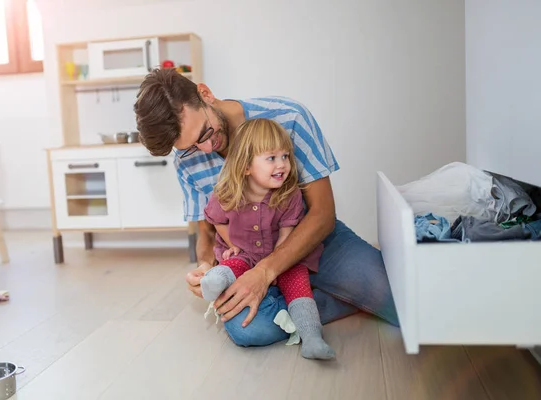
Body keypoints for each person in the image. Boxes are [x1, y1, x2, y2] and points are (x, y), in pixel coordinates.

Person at [134, 68, 399, 347]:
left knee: (396, 297)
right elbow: (207, 233)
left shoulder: (288, 117)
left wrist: (266, 272)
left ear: (206, 94)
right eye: (191, 147)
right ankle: (325, 295)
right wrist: (204, 267)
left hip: (311, 241)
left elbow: (322, 215)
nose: (207, 149)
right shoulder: (186, 161)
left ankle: (309, 294)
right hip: (246, 258)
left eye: (206, 133)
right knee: (249, 331)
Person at [201, 118, 335, 360]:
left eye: (285, 156)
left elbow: (286, 238)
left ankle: (312, 338)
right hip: (244, 254)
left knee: (297, 281)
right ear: (245, 167)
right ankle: (214, 283)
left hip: (279, 255)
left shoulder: (289, 195)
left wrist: (275, 269)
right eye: (271, 158)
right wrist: (232, 244)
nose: (282, 164)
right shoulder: (227, 193)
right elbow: (216, 219)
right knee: (232, 264)